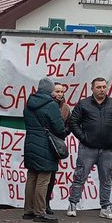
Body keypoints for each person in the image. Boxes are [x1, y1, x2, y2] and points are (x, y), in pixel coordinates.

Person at [65, 77, 112, 220]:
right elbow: (73, 121)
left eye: (104, 87)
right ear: (92, 88)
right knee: (80, 176)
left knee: (106, 179)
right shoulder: (84, 104)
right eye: (98, 87)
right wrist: (83, 137)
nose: (102, 89)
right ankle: (73, 204)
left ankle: (105, 207)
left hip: (107, 149)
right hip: (87, 148)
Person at [22, 77, 67, 223]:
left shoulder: (29, 103)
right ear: (49, 90)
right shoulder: (51, 105)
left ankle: (28, 210)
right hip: (46, 145)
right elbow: (59, 128)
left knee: (32, 177)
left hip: (30, 143)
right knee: (43, 179)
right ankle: (40, 212)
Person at [44, 82, 72, 216]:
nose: (60, 94)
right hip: (44, 143)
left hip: (56, 145)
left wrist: (63, 133)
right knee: (41, 176)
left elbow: (69, 125)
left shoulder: (66, 108)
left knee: (52, 176)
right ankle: (39, 203)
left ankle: (47, 203)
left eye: (62, 91)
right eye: (57, 91)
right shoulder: (46, 105)